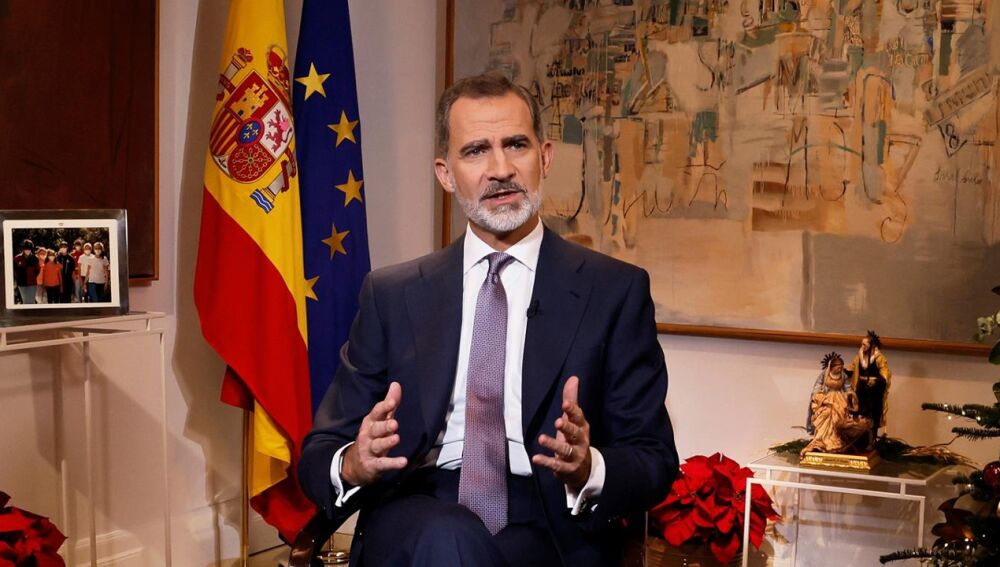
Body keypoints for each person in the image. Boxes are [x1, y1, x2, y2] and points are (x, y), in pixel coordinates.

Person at [299, 73, 678, 567]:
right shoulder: (392, 295)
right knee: (448, 538)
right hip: (418, 509)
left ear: (544, 157)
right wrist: (354, 462)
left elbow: (653, 458)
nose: (500, 169)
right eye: (476, 151)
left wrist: (589, 467)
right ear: (445, 173)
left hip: (550, 520)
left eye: (516, 145)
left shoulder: (613, 291)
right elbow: (320, 450)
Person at [800, 352, 868, 457]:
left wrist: (851, 394)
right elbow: (817, 387)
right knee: (826, 414)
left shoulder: (843, 376)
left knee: (837, 417)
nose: (840, 369)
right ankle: (822, 440)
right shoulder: (824, 374)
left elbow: (848, 388)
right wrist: (820, 397)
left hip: (840, 400)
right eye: (838, 367)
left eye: (841, 367)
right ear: (832, 367)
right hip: (826, 399)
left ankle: (834, 439)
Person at [848, 330, 891, 450]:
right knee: (859, 413)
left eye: (864, 344)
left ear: (872, 345)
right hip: (861, 388)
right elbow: (854, 368)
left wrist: (877, 381)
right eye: (862, 344)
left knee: (872, 415)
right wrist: (848, 371)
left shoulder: (879, 358)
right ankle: (859, 440)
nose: (862, 346)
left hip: (874, 391)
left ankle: (871, 441)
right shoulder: (859, 356)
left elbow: (885, 374)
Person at [12, 239, 40, 305]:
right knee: (25, 301)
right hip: (21, 284)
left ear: (31, 249)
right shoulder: (17, 258)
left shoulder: (35, 258)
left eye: (29, 249)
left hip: (32, 283)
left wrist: (32, 277)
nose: (27, 250)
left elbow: (38, 270)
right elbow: (14, 271)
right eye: (26, 249)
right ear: (23, 249)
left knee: (31, 301)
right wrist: (19, 278)